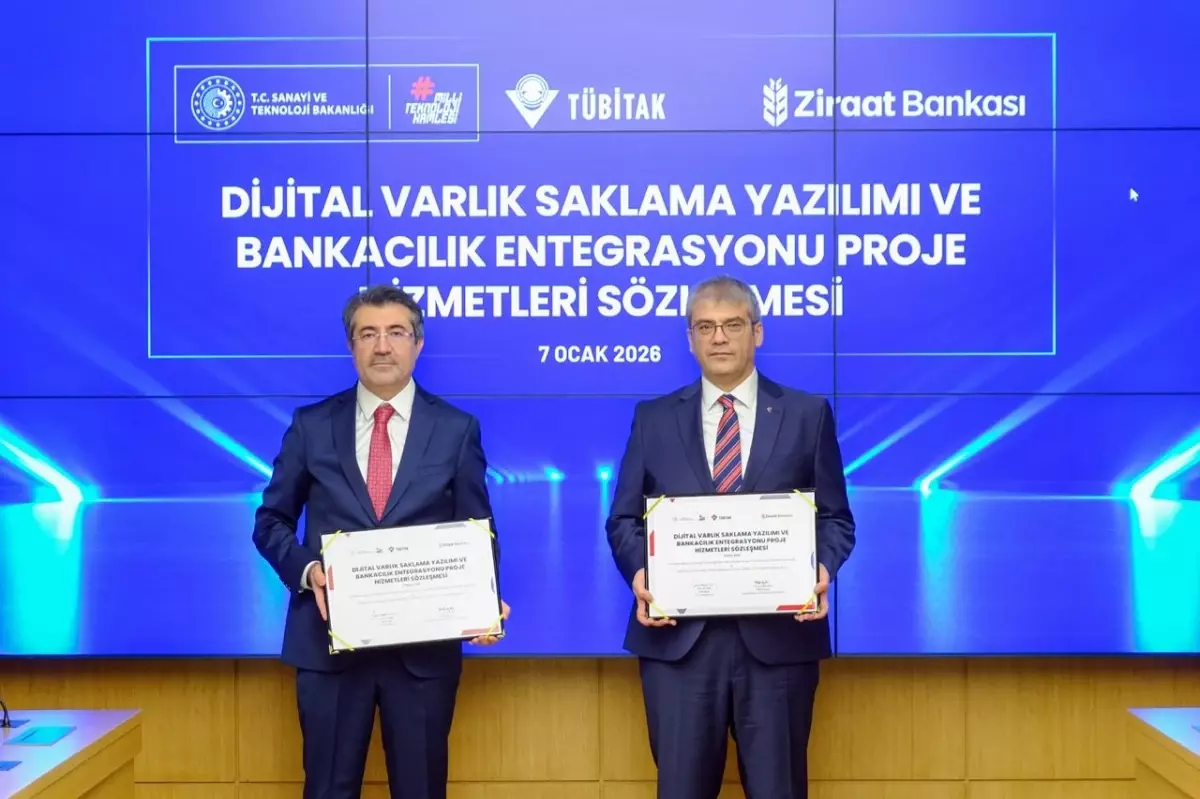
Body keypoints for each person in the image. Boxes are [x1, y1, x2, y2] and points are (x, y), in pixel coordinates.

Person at [252, 284, 510, 799]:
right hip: (327, 646)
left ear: (418, 343)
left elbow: (477, 529)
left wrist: (483, 603)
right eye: (367, 334)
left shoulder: (457, 429)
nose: (383, 346)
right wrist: (309, 571)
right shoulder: (310, 426)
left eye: (396, 332)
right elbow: (271, 521)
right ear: (351, 346)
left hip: (422, 655)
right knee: (327, 788)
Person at [605, 275, 856, 799]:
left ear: (756, 332)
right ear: (690, 338)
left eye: (732, 325)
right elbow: (623, 520)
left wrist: (821, 568)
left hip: (779, 643)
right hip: (678, 645)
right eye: (705, 327)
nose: (718, 337)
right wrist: (640, 573)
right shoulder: (652, 419)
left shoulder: (808, 415)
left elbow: (836, 519)